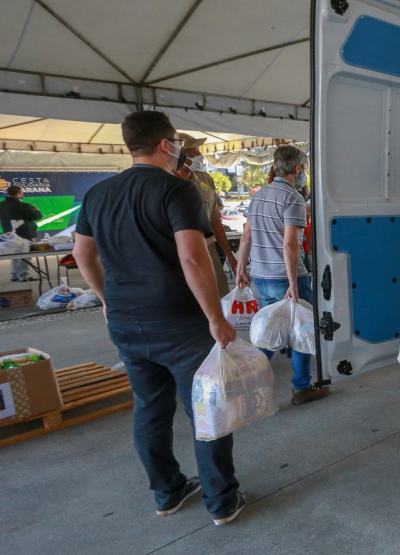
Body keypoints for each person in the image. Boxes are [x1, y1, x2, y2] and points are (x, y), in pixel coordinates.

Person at [73, 111, 246, 526]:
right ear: (166, 144)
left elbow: (82, 254)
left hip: (127, 322)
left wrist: (105, 298)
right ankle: (221, 501)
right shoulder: (176, 191)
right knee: (206, 410)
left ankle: (167, 492)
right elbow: (192, 257)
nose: (183, 152)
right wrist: (215, 317)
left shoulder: (98, 194)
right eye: (178, 144)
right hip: (181, 322)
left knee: (149, 409)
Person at [235, 146, 329, 405]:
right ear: (298, 169)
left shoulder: (259, 195)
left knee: (269, 330)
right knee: (300, 331)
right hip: (286, 277)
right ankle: (301, 387)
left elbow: (246, 236)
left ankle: (248, 380)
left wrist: (241, 268)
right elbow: (290, 245)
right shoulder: (293, 198)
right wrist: (293, 283)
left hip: (261, 275)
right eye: (304, 170)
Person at [176, 134, 238, 297]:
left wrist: (230, 255)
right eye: (194, 151)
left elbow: (215, 221)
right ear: (181, 154)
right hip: (177, 253)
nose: (199, 155)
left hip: (208, 250)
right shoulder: (164, 181)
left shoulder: (205, 180)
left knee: (220, 294)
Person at [0, 185, 42, 281]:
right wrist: (37, 211)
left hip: (9, 233)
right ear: (18, 194)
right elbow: (36, 216)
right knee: (25, 255)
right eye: (22, 193)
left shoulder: (0, 205)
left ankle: (14, 275)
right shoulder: (24, 205)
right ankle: (24, 275)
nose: (22, 194)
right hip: (25, 233)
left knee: (15, 255)